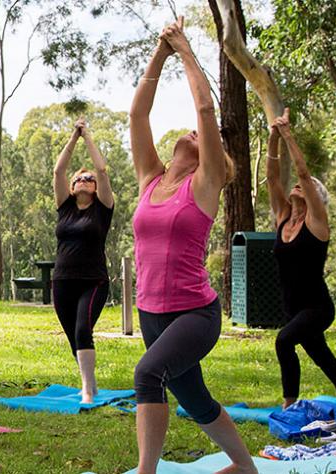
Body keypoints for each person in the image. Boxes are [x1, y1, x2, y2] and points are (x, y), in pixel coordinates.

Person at [128, 18, 256, 474]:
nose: (193, 131)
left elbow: (205, 108)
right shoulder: (151, 178)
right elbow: (137, 116)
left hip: (193, 314)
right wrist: (159, 53)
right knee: (195, 398)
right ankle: (244, 467)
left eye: (204, 139)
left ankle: (146, 470)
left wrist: (184, 49)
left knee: (147, 374)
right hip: (150, 312)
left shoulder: (204, 186)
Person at [266, 109, 336, 411]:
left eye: (305, 186)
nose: (297, 184)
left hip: (317, 307)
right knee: (321, 355)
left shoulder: (317, 223)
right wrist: (272, 139)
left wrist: (287, 135)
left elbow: (304, 174)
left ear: (316, 198)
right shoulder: (283, 218)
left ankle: (289, 403)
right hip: (292, 307)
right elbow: (271, 178)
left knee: (283, 342)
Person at [51, 118, 115, 404]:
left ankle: (88, 390)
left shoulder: (102, 209)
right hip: (62, 280)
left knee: (82, 330)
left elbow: (101, 169)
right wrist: (72, 138)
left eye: (88, 179)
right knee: (73, 337)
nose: (83, 181)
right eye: (79, 179)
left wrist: (86, 134)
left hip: (93, 280)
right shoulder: (64, 207)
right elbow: (58, 170)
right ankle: (89, 384)